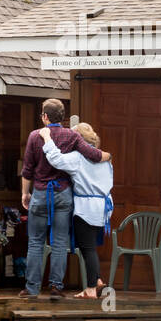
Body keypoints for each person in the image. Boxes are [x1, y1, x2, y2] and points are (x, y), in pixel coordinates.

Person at [19, 98, 108, 301]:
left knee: (35, 242)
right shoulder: (72, 136)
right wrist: (107, 156)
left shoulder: (34, 136)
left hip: (40, 193)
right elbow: (92, 155)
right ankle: (56, 287)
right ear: (63, 117)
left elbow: (27, 170)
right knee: (59, 242)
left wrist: (26, 193)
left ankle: (32, 288)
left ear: (45, 117)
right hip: (63, 193)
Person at [40, 121, 113, 298]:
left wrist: (47, 138)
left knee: (87, 248)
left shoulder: (77, 157)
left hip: (86, 208)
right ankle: (97, 282)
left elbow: (56, 159)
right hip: (103, 207)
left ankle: (90, 289)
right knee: (91, 246)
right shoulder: (104, 158)